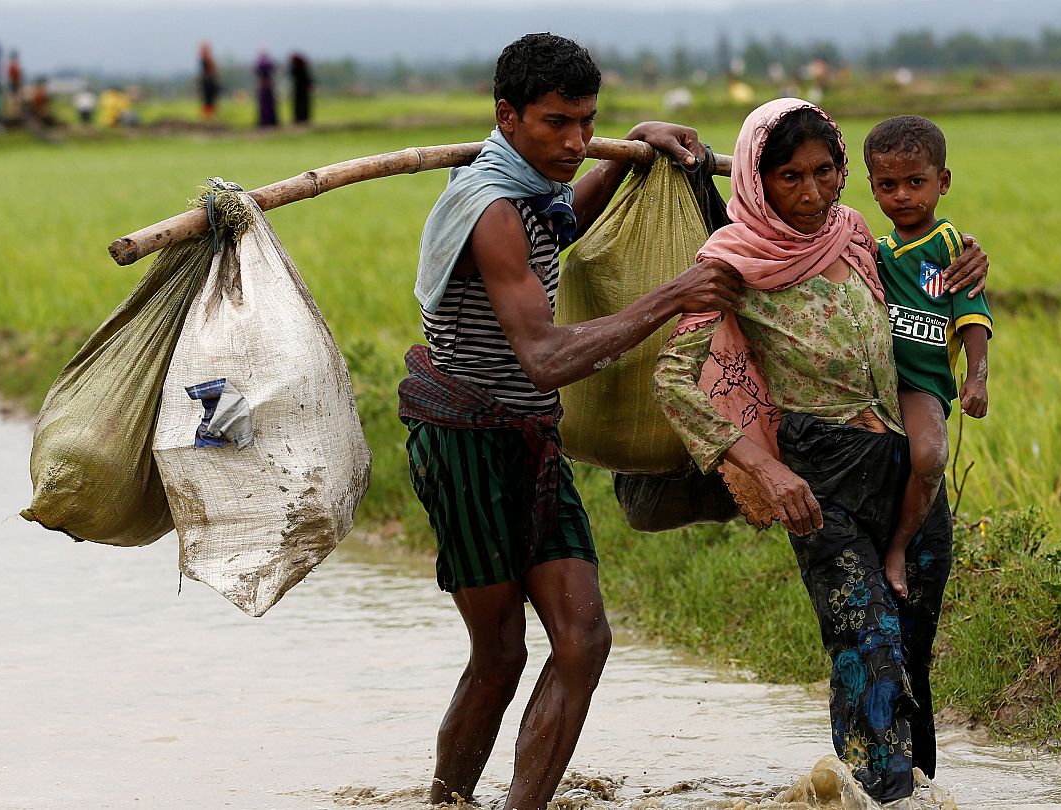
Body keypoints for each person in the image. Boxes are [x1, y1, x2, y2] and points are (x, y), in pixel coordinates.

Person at [398, 32, 739, 810]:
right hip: (465, 439)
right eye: (557, 123)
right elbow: (546, 359)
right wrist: (671, 296)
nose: (577, 142)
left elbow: (560, 225)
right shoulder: (488, 208)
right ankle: (446, 802)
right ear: (507, 116)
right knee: (501, 656)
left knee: (584, 642)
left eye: (589, 123)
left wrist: (630, 152)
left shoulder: (530, 193)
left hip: (531, 439)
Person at [652, 99, 986, 802]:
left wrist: (962, 269)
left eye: (825, 172)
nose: (811, 194)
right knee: (869, 648)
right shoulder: (731, 260)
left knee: (913, 645)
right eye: (789, 178)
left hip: (902, 468)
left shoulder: (858, 234)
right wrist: (765, 469)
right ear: (756, 180)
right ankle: (876, 794)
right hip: (819, 475)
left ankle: (912, 792)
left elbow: (929, 297)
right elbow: (672, 381)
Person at [863, 114, 991, 601]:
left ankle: (898, 545)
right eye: (888, 184)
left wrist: (977, 379)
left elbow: (972, 317)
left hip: (920, 384)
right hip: (869, 386)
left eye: (916, 182)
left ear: (943, 182)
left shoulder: (951, 248)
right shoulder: (873, 250)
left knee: (930, 454)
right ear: (872, 188)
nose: (902, 195)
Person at [254, 50, 278, 128]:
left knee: (265, 106)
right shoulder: (268, 64)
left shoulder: (260, 64)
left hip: (264, 87)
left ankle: (265, 121)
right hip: (267, 87)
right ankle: (269, 121)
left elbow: (257, 73)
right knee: (268, 106)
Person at [198, 41, 220, 120]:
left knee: (210, 101)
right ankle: (207, 117)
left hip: (209, 83)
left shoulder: (207, 60)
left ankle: (210, 117)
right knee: (207, 101)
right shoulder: (205, 60)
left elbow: (213, 72)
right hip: (207, 83)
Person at [288, 52, 312, 125]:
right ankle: (303, 118)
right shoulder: (302, 67)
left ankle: (300, 118)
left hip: (299, 88)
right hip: (301, 88)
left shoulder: (297, 67)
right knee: (302, 104)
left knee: (300, 104)